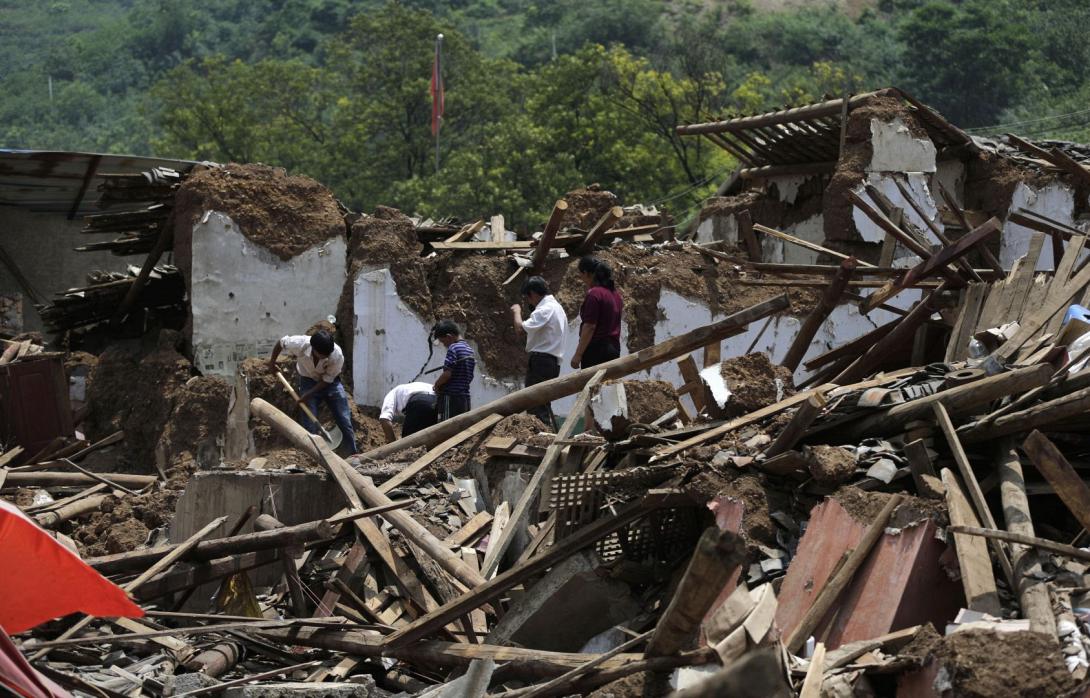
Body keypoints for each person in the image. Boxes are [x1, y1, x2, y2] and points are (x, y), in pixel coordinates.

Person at [267, 330, 357, 454]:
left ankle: (352, 454)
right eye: (323, 355)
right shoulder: (300, 344)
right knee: (309, 423)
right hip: (307, 380)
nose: (326, 357)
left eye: (327, 354)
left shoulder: (336, 355)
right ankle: (313, 455)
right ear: (314, 349)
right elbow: (281, 343)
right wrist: (272, 363)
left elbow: (327, 380)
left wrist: (307, 395)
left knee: (344, 417)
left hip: (331, 383)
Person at [511, 275, 567, 428]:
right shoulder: (557, 308)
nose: (530, 301)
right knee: (542, 402)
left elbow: (520, 329)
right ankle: (545, 434)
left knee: (535, 403)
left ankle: (539, 436)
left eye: (528, 298)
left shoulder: (544, 309)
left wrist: (517, 311)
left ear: (533, 294)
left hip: (541, 361)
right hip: (552, 362)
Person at [571, 256, 623, 369]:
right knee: (608, 386)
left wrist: (578, 354)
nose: (581, 278)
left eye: (581, 274)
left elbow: (589, 326)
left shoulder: (594, 294)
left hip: (596, 351)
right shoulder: (616, 295)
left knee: (593, 386)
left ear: (586, 273)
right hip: (613, 350)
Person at [431, 320, 475, 420]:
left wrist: (437, 385)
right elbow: (470, 376)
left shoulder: (453, 348)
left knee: (446, 428)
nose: (444, 345)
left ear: (449, 336)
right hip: (465, 398)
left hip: (451, 398)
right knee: (462, 428)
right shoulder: (469, 350)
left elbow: (447, 374)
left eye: (443, 342)